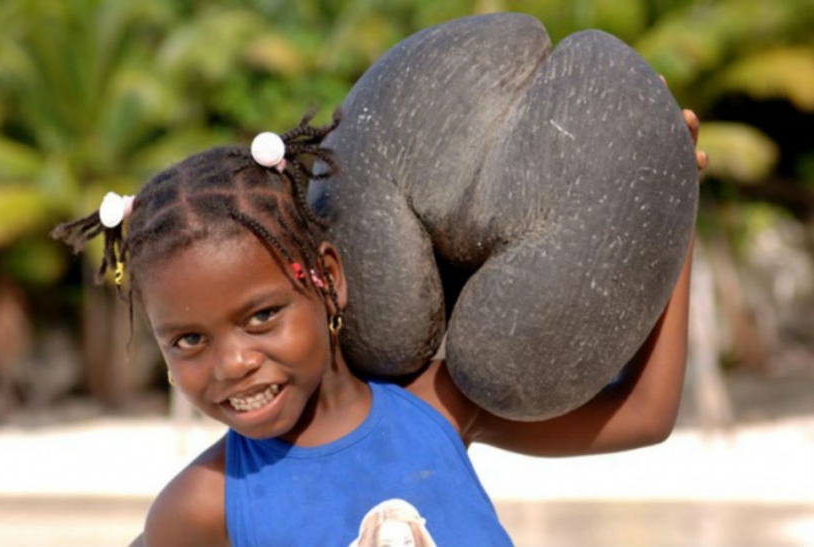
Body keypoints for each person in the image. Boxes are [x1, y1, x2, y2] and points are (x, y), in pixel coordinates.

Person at [52, 107, 707, 547]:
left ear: (327, 277)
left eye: (260, 317)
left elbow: (643, 413)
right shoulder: (201, 506)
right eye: (189, 340)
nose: (231, 363)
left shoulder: (437, 406)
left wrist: (670, 202)